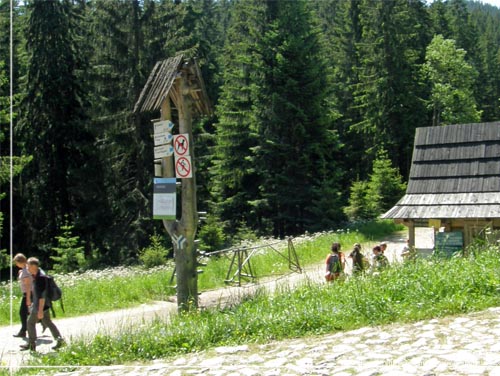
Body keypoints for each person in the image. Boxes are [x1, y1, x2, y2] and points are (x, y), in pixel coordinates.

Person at [20, 257, 65, 352]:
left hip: (40, 305)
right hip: (44, 304)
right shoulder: (38, 274)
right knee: (48, 322)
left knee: (30, 323)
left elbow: (42, 296)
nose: (26, 267)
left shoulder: (40, 278)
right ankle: (60, 340)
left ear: (33, 266)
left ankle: (32, 344)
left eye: (28, 265)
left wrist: (40, 310)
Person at [13, 253, 32, 338]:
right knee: (28, 312)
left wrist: (28, 298)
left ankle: (23, 331)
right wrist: (21, 272)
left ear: (19, 262)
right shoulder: (26, 269)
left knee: (22, 312)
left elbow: (28, 285)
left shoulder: (25, 271)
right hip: (29, 293)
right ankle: (25, 329)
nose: (16, 265)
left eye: (16, 263)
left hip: (28, 293)